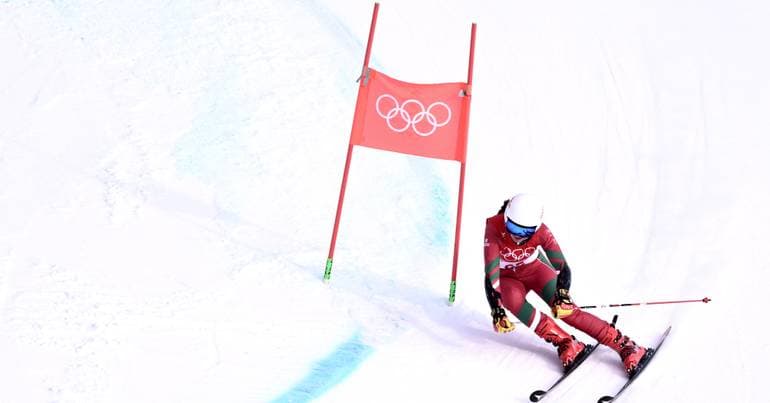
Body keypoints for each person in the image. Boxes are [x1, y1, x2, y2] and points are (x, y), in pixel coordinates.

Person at [484, 193, 648, 375]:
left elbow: (562, 267)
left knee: (568, 312)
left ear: (536, 228)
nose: (517, 236)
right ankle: (566, 342)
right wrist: (496, 310)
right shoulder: (493, 229)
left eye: (526, 232)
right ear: (505, 218)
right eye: (512, 227)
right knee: (512, 300)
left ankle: (625, 345)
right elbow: (491, 275)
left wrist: (562, 294)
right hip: (508, 278)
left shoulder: (543, 232)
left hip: (535, 271)